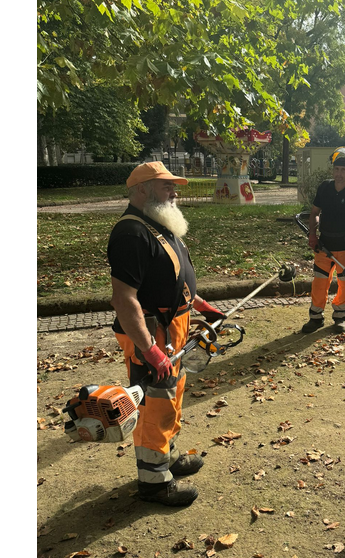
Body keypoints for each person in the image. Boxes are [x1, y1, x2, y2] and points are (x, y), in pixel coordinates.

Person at [107, 161, 227, 507]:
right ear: (143, 190)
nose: (175, 193)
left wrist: (199, 305)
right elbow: (124, 299)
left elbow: (169, 280)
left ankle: (167, 457)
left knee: (171, 398)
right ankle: (154, 482)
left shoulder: (159, 222)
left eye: (174, 186)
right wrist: (149, 350)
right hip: (150, 334)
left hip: (175, 327)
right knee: (155, 406)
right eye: (166, 187)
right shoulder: (131, 232)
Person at [303, 147, 345, 334]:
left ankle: (340, 317)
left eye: (343, 170)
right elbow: (315, 213)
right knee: (319, 281)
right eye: (336, 169)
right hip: (324, 245)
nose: (339, 174)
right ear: (333, 170)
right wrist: (313, 235)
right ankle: (315, 317)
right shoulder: (324, 188)